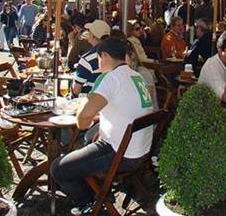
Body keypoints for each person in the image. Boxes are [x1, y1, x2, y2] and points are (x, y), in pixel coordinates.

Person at [51, 37, 154, 215]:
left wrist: (86, 109)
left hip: (121, 153)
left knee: (58, 168)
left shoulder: (111, 78)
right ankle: (99, 193)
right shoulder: (135, 76)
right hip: (142, 150)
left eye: (98, 57)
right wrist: (100, 126)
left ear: (104, 55)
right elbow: (125, 109)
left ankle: (88, 203)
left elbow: (82, 120)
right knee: (88, 143)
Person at [73, 20, 111, 96]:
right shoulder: (115, 54)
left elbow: (76, 90)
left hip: (94, 100)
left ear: (93, 35)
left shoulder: (87, 59)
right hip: (112, 98)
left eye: (89, 32)